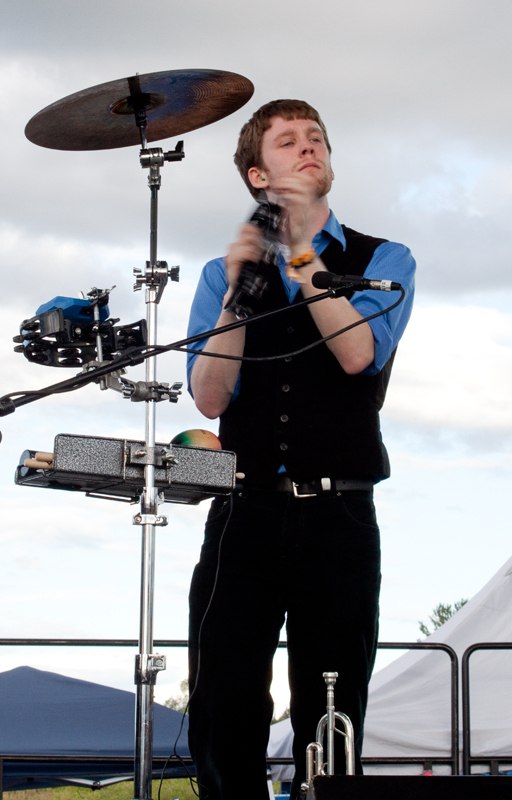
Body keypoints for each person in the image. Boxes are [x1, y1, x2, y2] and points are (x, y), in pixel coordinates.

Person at [185, 99, 415, 800]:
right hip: (243, 513)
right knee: (225, 697)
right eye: (287, 141)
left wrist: (299, 252)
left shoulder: (384, 259)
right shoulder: (221, 272)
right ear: (258, 175)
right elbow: (210, 398)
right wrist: (238, 294)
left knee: (332, 700)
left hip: (338, 515)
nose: (309, 146)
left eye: (316, 138)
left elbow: (357, 354)